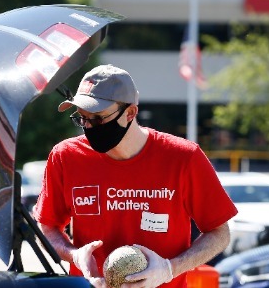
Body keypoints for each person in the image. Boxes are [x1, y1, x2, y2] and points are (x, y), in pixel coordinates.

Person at [32, 64, 237, 288]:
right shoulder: (66, 156)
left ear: (130, 113)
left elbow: (219, 233)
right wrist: (74, 255)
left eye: (98, 118)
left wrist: (169, 269)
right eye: (82, 118)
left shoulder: (183, 157)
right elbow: (47, 227)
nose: (89, 127)